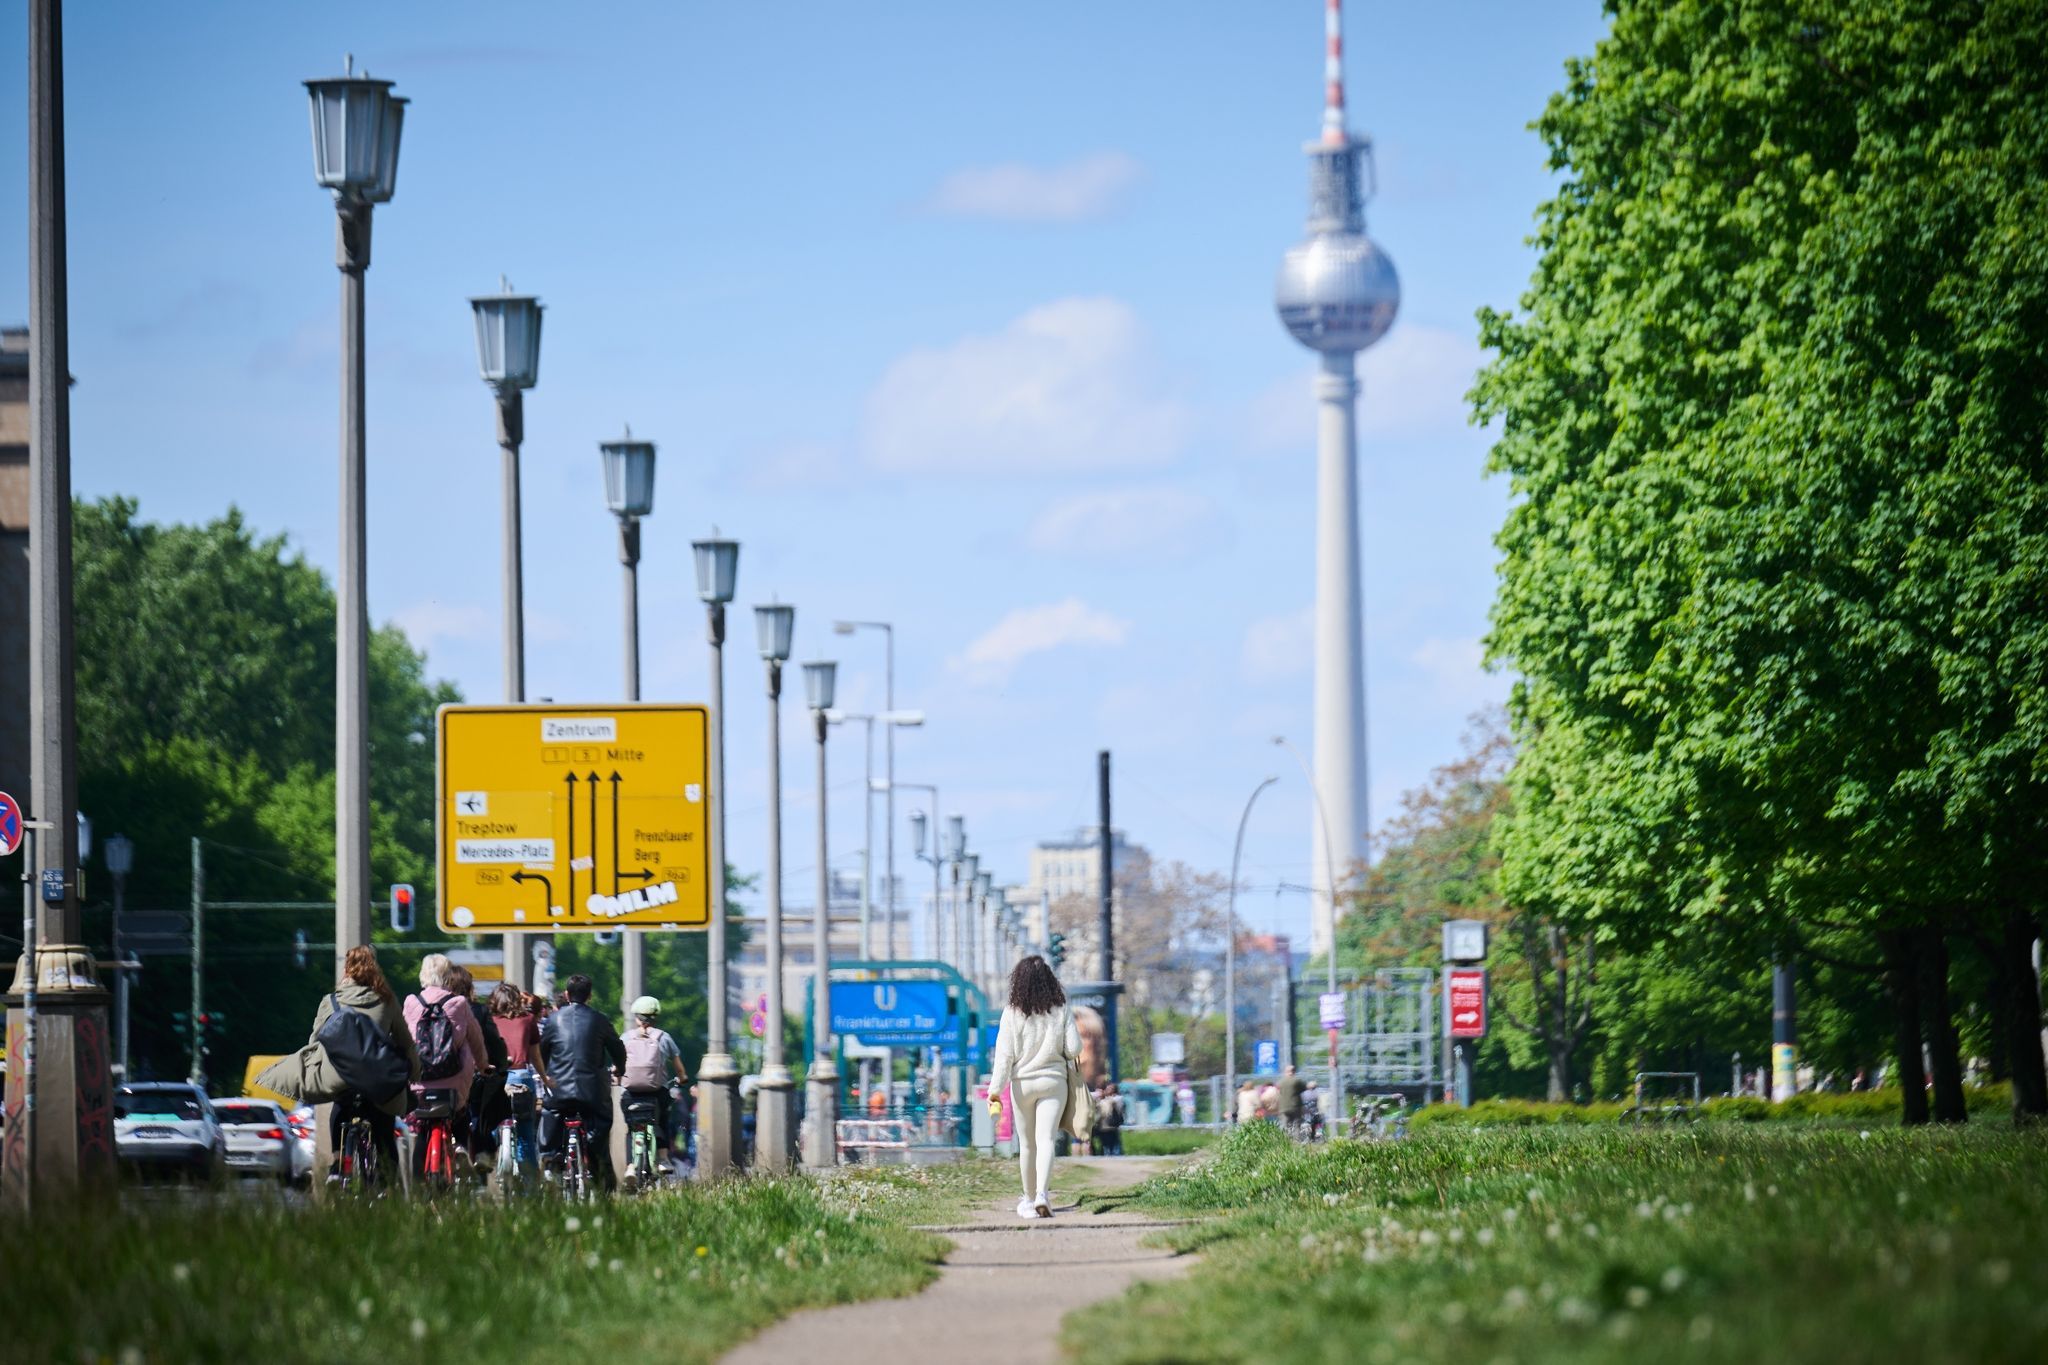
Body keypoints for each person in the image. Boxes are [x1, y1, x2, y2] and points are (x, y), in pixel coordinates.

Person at [289, 945, 419, 1181]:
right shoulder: (387, 1000)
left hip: (343, 1077)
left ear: (347, 969)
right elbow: (406, 1043)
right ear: (375, 969)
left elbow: (315, 1042)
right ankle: (387, 1184)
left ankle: (336, 1165)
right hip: (377, 1081)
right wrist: (415, 1073)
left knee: (340, 1108)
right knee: (384, 1129)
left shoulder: (331, 1001)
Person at [986, 954, 1080, 1221]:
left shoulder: (1011, 1013)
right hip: (1053, 1082)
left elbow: (1004, 1057)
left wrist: (995, 1090)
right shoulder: (1061, 1008)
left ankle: (1028, 1200)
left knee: (1027, 1145)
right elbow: (1074, 1048)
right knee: (1046, 1139)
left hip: (1023, 1085)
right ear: (1050, 980)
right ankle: (1042, 1195)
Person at [534, 973, 625, 1190]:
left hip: (559, 1090)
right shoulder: (600, 1020)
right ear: (589, 996)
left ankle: (551, 1160)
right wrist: (620, 1069)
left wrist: (545, 1074)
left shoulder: (553, 1020)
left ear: (566, 995)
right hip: (592, 1092)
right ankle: (601, 1172)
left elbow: (542, 1051)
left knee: (551, 1113)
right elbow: (617, 1048)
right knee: (600, 1125)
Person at [403, 954, 490, 1165]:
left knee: (422, 1130)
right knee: (460, 1112)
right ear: (448, 976)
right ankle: (460, 1146)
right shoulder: (458, 1003)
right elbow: (476, 1040)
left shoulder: (411, 1002)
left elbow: (401, 1039)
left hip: (419, 1079)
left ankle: (419, 1180)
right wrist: (483, 1066)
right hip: (454, 1079)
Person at [620, 995, 690, 1183]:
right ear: (655, 1016)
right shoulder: (663, 1037)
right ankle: (663, 1159)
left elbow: (618, 1066)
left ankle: (630, 1167)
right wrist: (682, 1078)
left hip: (631, 1094)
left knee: (631, 1128)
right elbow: (680, 1069)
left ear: (636, 1017)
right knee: (662, 1120)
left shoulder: (626, 1038)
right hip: (657, 1093)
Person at [448, 964, 507, 1157]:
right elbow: (493, 1041)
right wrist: (500, 1065)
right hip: (474, 1074)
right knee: (478, 1115)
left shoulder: (438, 1008)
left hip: (442, 1074)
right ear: (469, 986)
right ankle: (480, 1154)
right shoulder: (479, 1011)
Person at [489, 983, 542, 1172]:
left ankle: (491, 1150)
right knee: (525, 1135)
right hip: (522, 1078)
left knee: (488, 1123)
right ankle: (530, 1187)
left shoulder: (489, 1021)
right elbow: (535, 1056)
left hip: (496, 1079)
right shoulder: (528, 1020)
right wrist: (545, 1078)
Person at [1094, 1082, 1125, 1156]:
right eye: (1106, 1089)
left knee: (1113, 1144)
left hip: (1111, 1126)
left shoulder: (1117, 1099)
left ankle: (1114, 1155)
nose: (1107, 1090)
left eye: (1109, 1089)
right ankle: (1107, 1155)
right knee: (1106, 1144)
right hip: (1104, 1127)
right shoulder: (1102, 1101)